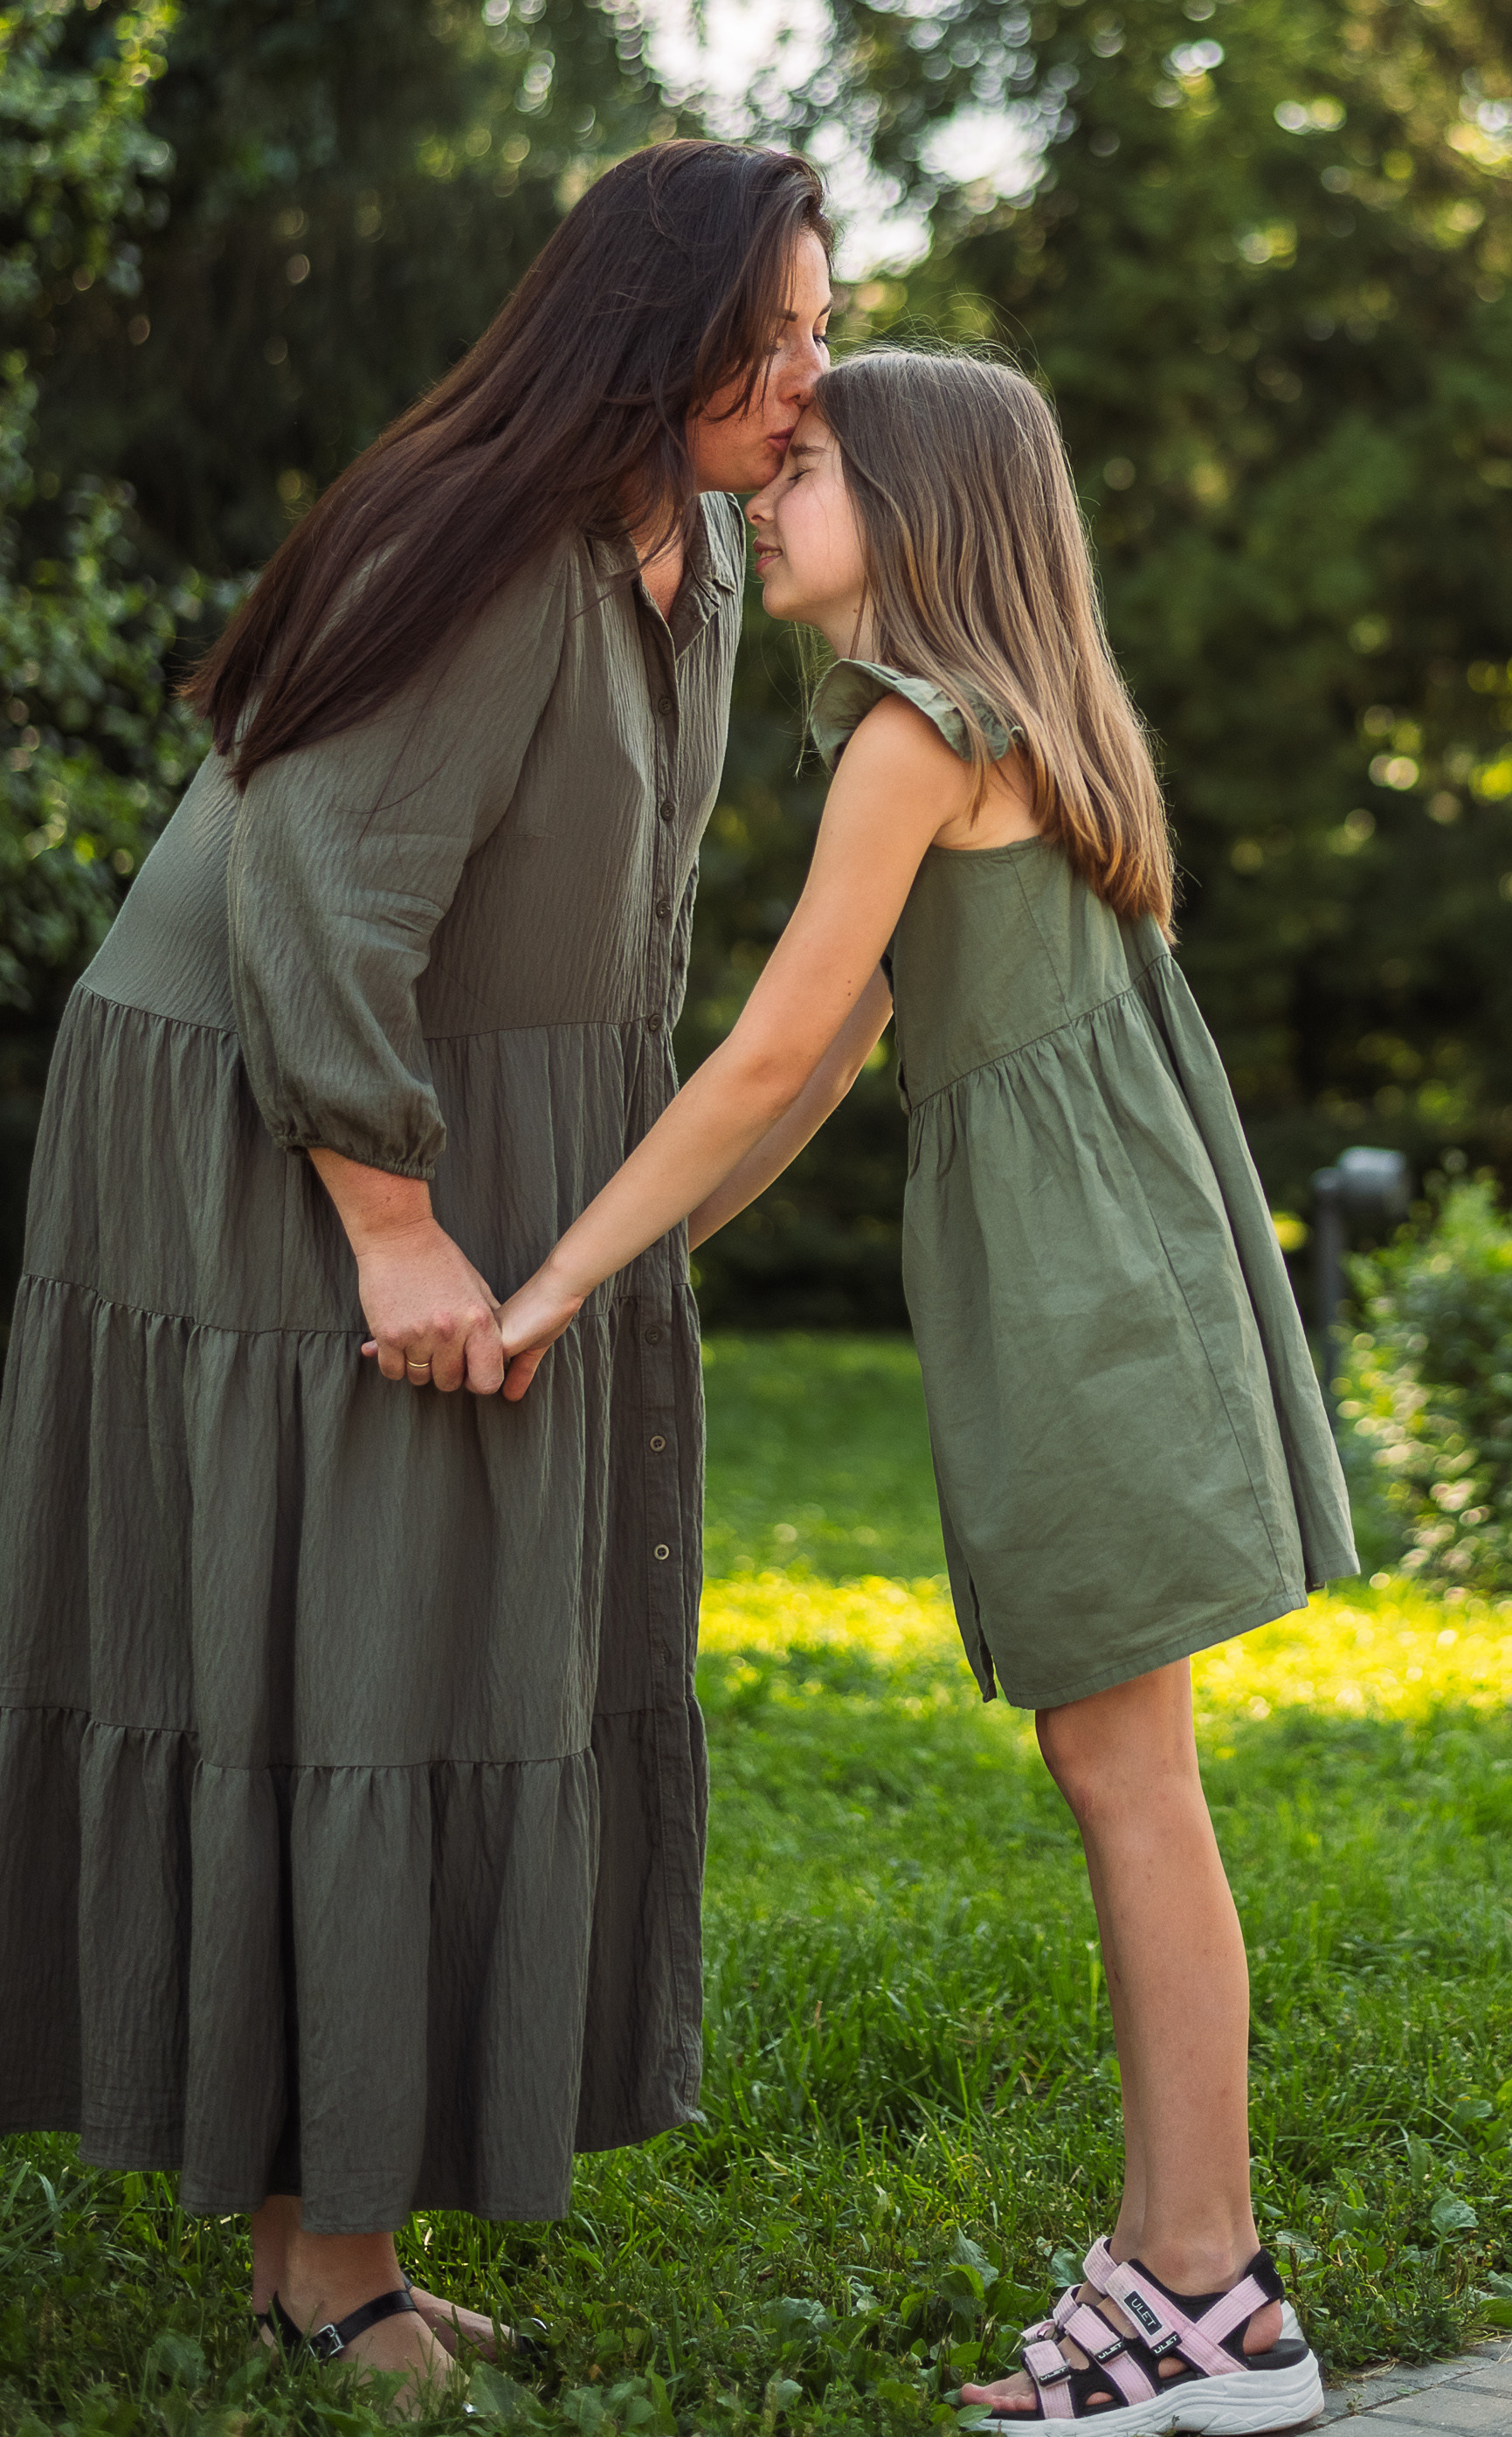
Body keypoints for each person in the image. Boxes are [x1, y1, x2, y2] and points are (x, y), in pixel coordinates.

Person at [0, 138, 846, 2399]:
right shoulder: (483, 538)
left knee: (415, 1635)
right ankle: (328, 2258)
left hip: (473, 1085)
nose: (804, 379)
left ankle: (331, 2228)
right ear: (642, 337)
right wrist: (389, 1219)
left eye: (818, 328)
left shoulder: (704, 551)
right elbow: (319, 880)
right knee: (359, 1643)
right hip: (282, 1093)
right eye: (765, 339)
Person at [487, 348, 1359, 2434]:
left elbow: (774, 1043)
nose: (759, 499)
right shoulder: (1009, 728)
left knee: (1127, 1779)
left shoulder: (911, 737)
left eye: (802, 471)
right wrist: (641, 1264)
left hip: (1082, 1301)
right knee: (1127, 1772)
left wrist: (559, 1272)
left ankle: (1211, 2289)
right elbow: (854, 1039)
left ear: (924, 509)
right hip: (1107, 1277)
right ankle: (1187, 2274)